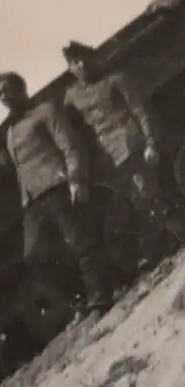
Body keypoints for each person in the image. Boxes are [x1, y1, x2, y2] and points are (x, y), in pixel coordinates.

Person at [62, 40, 185, 271]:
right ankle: (170, 238)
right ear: (69, 68)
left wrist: (150, 141)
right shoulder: (70, 98)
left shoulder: (115, 79)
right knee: (140, 202)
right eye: (74, 62)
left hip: (132, 143)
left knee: (148, 193)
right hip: (109, 158)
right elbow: (78, 135)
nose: (80, 65)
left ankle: (176, 235)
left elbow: (139, 109)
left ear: (93, 58)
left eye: (83, 58)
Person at [0, 72, 113, 317]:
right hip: (32, 199)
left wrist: (76, 178)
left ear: (21, 89)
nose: (4, 97)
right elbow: (17, 166)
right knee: (34, 256)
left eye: (8, 90)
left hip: (56, 185)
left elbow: (69, 145)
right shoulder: (9, 131)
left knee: (79, 242)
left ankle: (100, 300)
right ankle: (80, 297)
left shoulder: (45, 111)